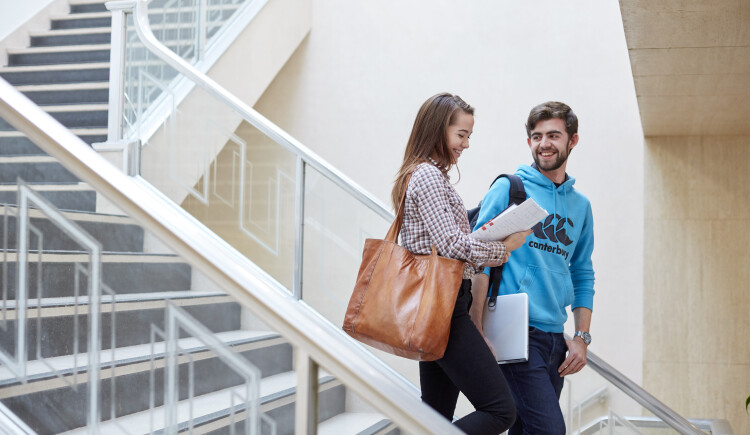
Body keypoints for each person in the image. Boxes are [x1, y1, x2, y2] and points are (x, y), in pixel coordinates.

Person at [392, 92, 531, 434]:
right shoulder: (427, 176)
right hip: (443, 306)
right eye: (461, 135)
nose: (466, 144)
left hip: (440, 304)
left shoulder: (429, 175)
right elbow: (453, 244)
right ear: (439, 129)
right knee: (501, 411)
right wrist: (504, 248)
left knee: (435, 418)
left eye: (469, 136)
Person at [470, 101, 596, 435]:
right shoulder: (510, 189)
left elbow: (582, 271)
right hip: (513, 330)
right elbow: (477, 256)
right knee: (551, 430)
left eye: (553, 135)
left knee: (525, 429)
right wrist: (476, 324)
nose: (544, 144)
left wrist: (581, 337)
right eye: (536, 136)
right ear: (529, 142)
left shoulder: (581, 206)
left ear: (573, 140)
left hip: (555, 338)